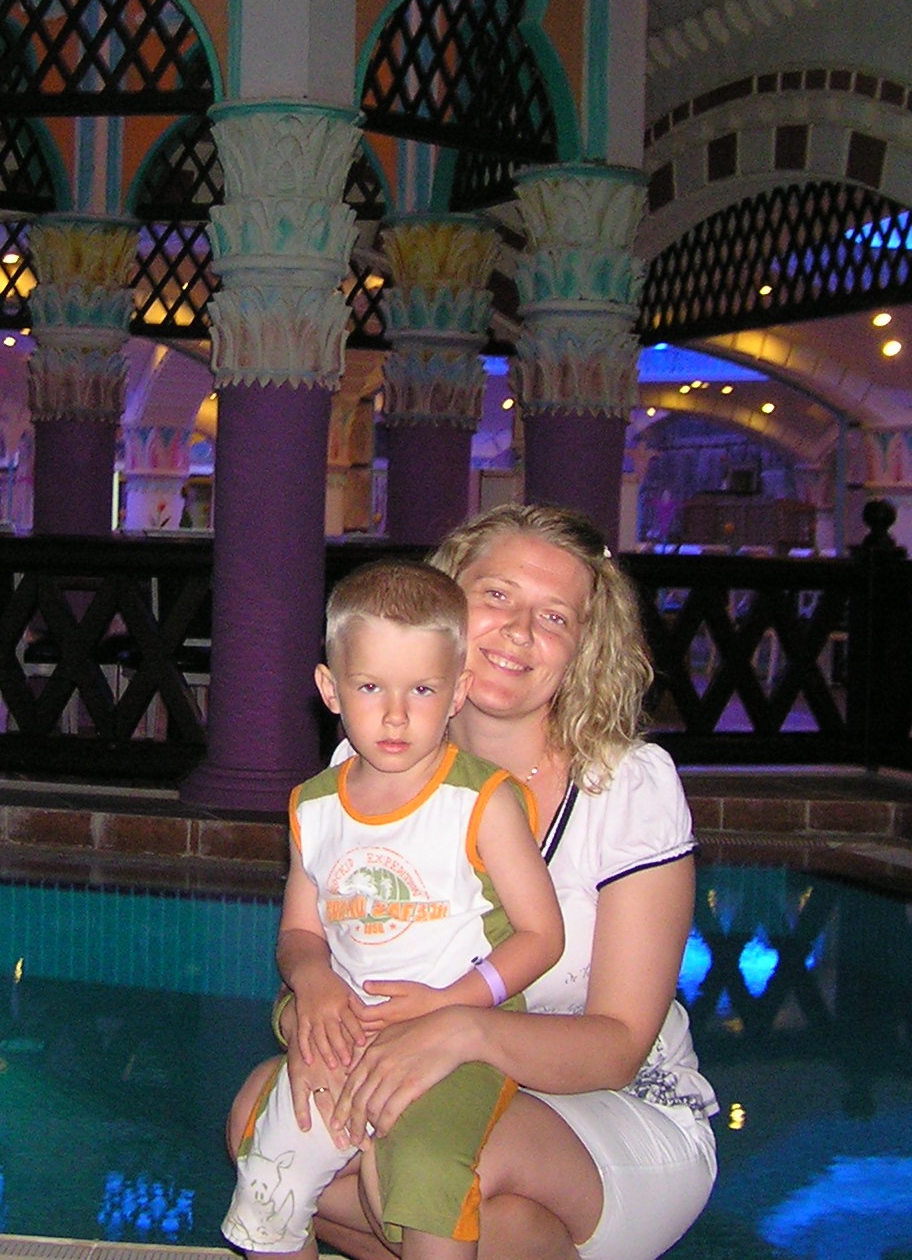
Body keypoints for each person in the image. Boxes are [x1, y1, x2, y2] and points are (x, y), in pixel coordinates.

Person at [227, 505, 717, 1260]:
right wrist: (309, 1014)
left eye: (554, 616)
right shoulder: (373, 759)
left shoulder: (627, 785)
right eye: (497, 596)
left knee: (426, 1164)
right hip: (421, 1075)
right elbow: (328, 948)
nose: (519, 630)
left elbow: (618, 1045)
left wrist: (460, 1030)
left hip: (614, 1106)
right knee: (265, 1120)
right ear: (445, 602)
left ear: (584, 648)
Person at [222, 560, 566, 1260]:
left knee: (429, 1174)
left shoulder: (482, 801)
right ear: (331, 689)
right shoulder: (315, 805)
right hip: (347, 1036)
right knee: (272, 1175)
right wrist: (313, 981)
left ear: (458, 691)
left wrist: (452, 1002)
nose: (396, 714)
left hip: (454, 1040)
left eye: (423, 689)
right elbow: (299, 931)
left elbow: (542, 936)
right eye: (371, 687)